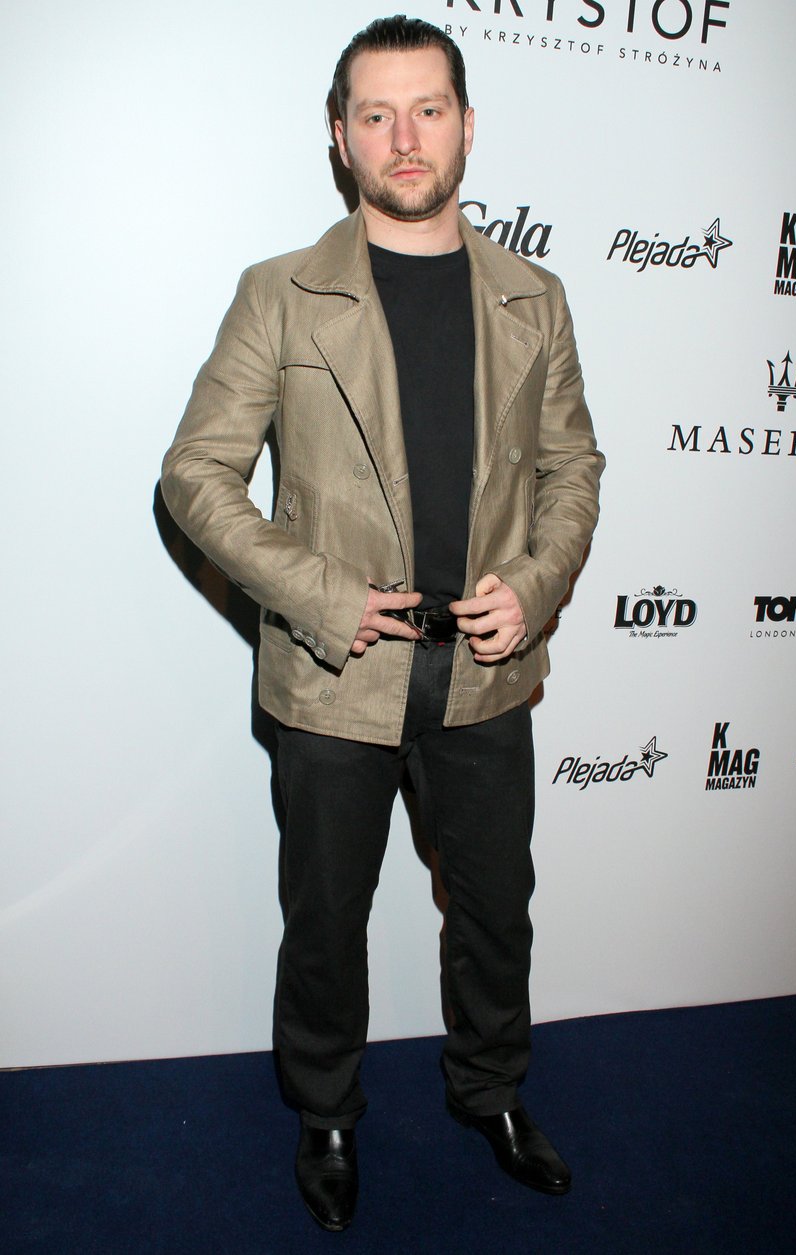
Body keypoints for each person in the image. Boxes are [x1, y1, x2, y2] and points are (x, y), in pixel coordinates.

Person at [162, 14, 604, 1233]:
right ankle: (326, 1113)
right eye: (376, 114)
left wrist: (537, 581)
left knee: (497, 909)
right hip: (331, 678)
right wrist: (319, 597)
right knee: (325, 921)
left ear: (467, 125)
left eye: (428, 110)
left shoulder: (535, 298)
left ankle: (491, 1091)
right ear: (340, 137)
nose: (405, 137)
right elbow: (196, 474)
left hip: (485, 674)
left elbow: (574, 468)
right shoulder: (280, 294)